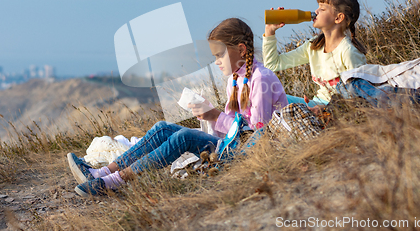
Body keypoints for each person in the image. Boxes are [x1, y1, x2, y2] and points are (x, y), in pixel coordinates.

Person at [68, 18, 288, 196]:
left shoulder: (261, 79)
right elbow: (229, 130)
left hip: (248, 152)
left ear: (241, 50)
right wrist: (209, 114)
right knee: (163, 128)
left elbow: (256, 133)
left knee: (183, 137)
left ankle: (114, 182)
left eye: (220, 55)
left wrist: (215, 115)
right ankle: (103, 171)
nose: (217, 62)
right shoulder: (235, 79)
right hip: (231, 144)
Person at [263, 0, 367, 114]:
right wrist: (270, 31)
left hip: (336, 112)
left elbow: (360, 96)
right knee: (269, 97)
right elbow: (273, 64)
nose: (316, 11)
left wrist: (326, 109)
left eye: (322, 9)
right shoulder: (314, 46)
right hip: (315, 106)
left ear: (338, 18)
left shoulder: (348, 52)